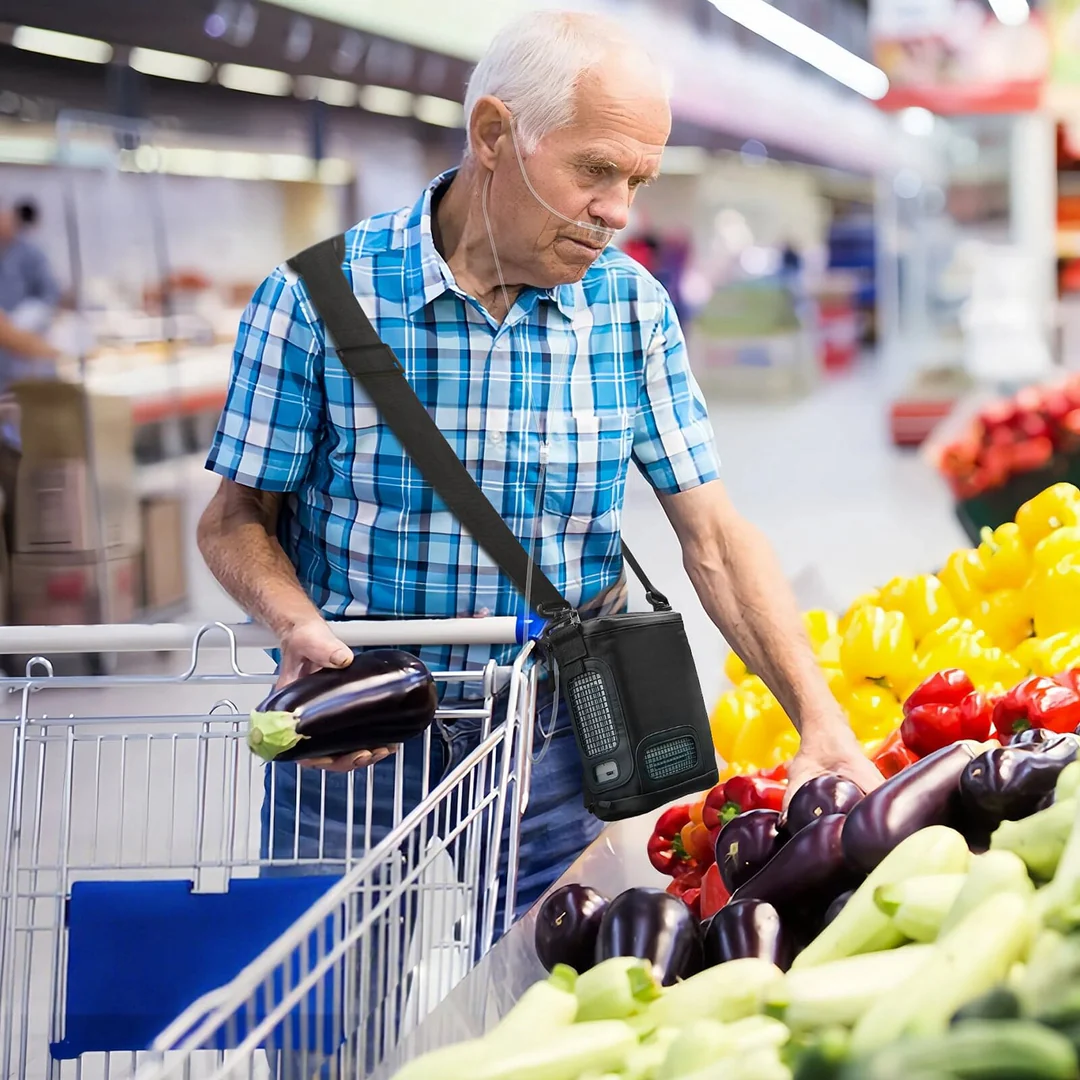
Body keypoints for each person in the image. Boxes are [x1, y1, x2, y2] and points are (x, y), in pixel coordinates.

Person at [197, 10, 882, 919]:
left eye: (638, 179)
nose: (619, 211)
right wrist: (293, 624)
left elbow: (713, 535)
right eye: (596, 169)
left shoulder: (629, 309)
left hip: (554, 733)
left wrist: (819, 718)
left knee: (554, 995)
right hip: (353, 727)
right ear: (494, 135)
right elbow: (235, 517)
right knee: (328, 1017)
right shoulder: (315, 298)